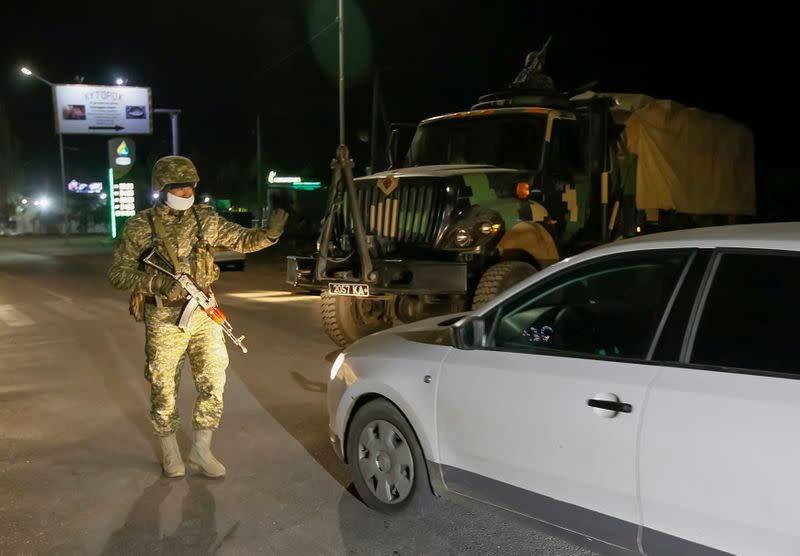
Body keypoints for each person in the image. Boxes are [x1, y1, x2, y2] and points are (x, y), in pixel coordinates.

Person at [106, 155, 288, 478]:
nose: (185, 192)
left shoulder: (205, 220)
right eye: (177, 187)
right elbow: (118, 273)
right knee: (163, 385)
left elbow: (241, 239)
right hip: (164, 317)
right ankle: (169, 450)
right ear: (162, 189)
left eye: (189, 187)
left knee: (214, 376)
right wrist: (156, 282)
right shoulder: (140, 226)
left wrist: (269, 235)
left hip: (203, 310)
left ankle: (201, 449)